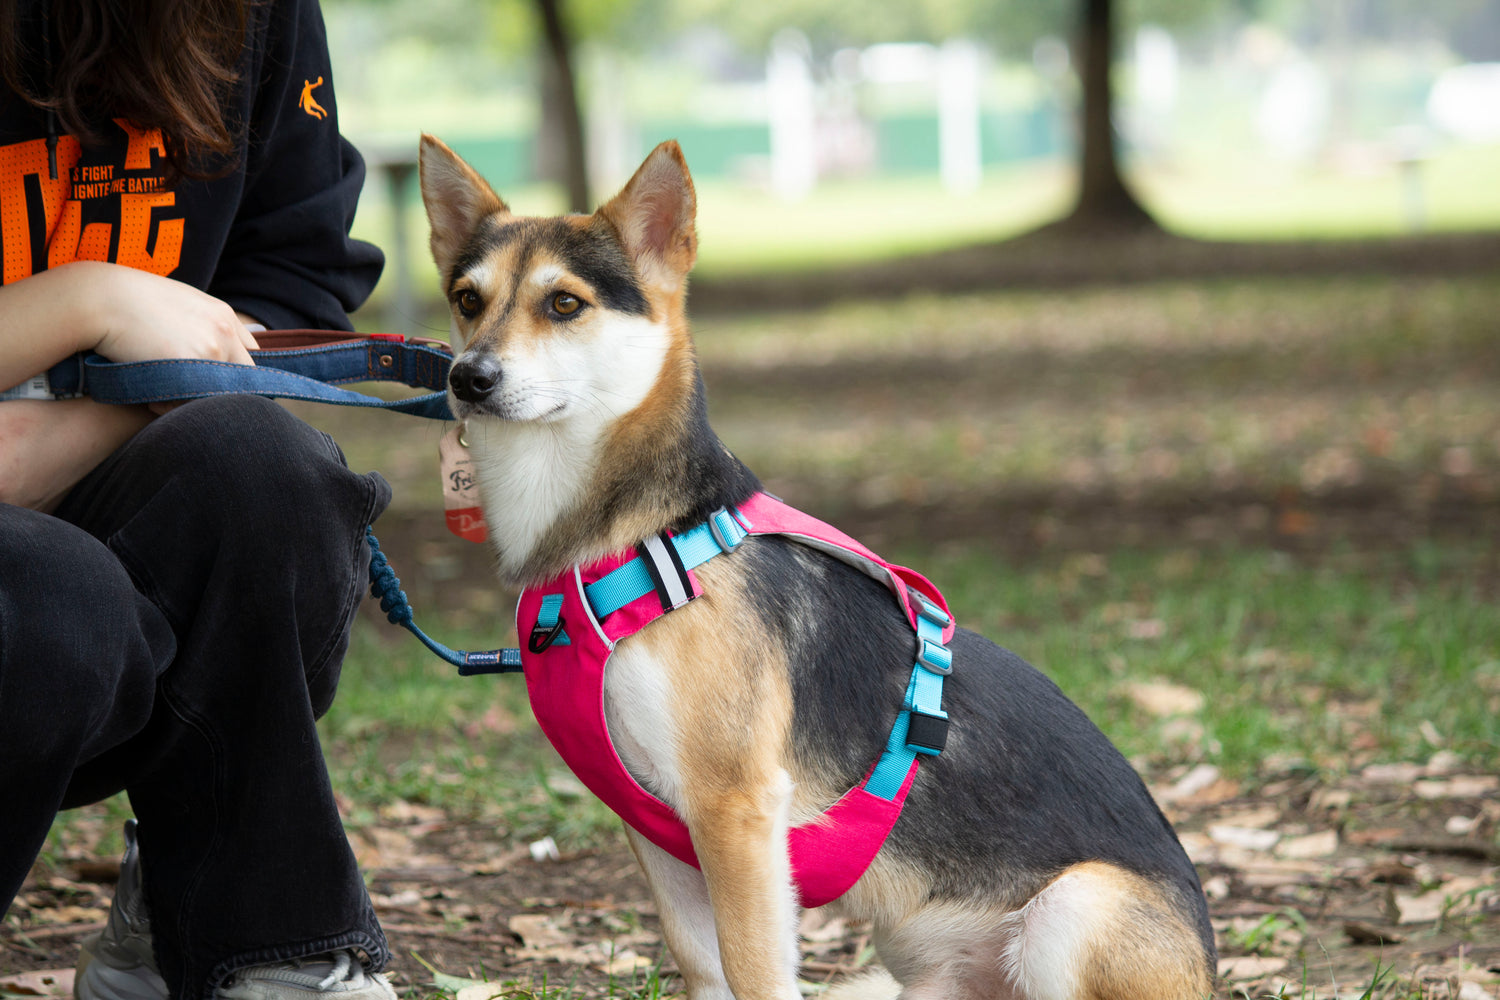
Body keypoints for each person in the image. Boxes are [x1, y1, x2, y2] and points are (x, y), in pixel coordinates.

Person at [0, 0, 398, 997]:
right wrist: (84, 300)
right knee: (56, 601)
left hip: (82, 459)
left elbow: (293, 277)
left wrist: (66, 433)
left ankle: (247, 934)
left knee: (269, 476)